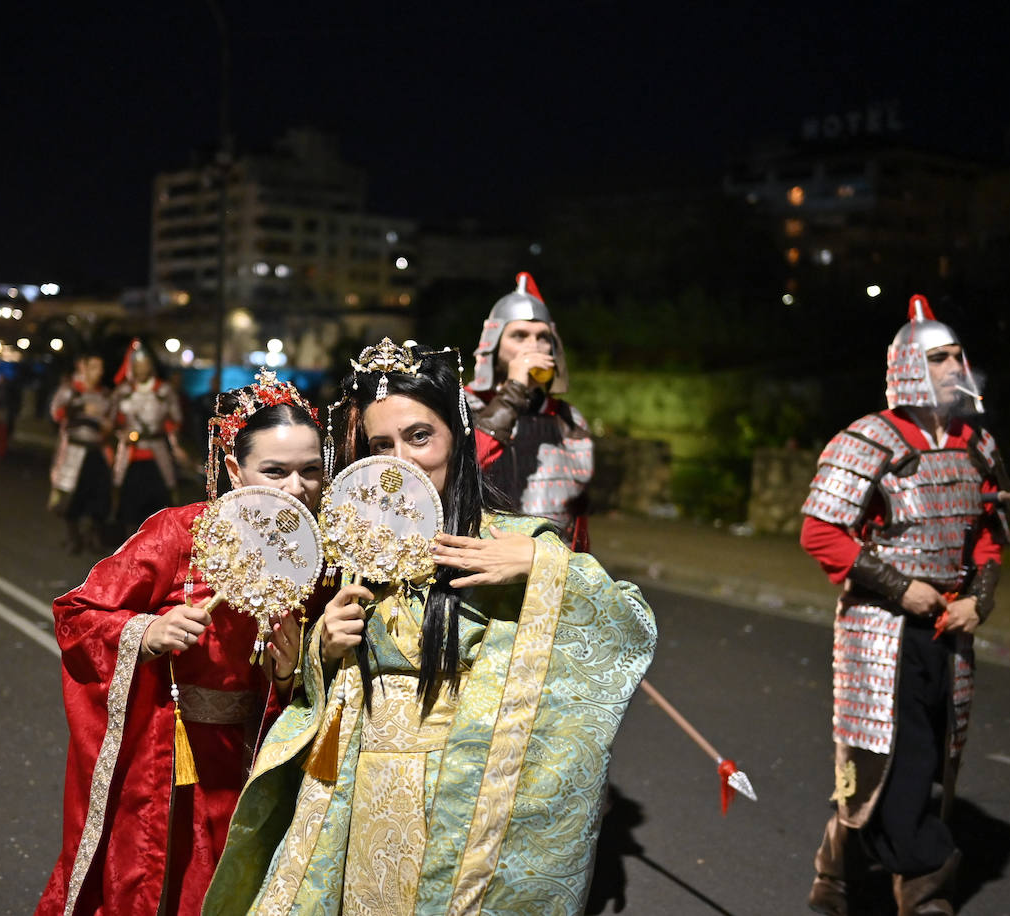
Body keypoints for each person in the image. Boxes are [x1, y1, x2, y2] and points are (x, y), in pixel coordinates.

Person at [205, 338, 657, 916]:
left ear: (459, 433)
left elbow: (628, 628)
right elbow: (322, 692)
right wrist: (324, 647)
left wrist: (545, 567)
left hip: (467, 803)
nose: (403, 460)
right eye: (381, 445)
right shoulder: (358, 551)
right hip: (366, 798)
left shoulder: (512, 541)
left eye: (420, 436)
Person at [37, 370, 327, 916]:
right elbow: (76, 613)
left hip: (272, 765)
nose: (296, 489)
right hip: (179, 773)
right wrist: (145, 632)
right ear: (235, 468)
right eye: (275, 471)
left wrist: (295, 672)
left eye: (311, 471)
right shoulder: (179, 534)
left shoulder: (326, 556)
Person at [800, 295, 1008, 916]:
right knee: (893, 752)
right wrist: (900, 587)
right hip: (881, 628)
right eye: (938, 357)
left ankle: (836, 871)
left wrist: (979, 599)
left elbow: (990, 534)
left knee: (935, 749)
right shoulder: (867, 439)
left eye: (956, 355)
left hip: (951, 625)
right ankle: (925, 883)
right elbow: (822, 532)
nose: (954, 366)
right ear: (910, 366)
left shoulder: (980, 444)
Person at [465, 272, 594, 551]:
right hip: (482, 565)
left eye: (542, 337)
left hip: (551, 567)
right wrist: (514, 389)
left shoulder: (568, 418)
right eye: (519, 336)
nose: (533, 346)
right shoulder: (462, 405)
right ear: (495, 344)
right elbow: (463, 466)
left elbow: (577, 517)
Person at [111, 338, 190, 534]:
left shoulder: (164, 391)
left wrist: (176, 446)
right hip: (131, 454)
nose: (141, 369)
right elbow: (113, 422)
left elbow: (173, 421)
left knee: (159, 502)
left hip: (157, 453)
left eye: (145, 364)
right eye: (138, 365)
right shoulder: (123, 392)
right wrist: (123, 434)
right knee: (129, 503)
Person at [49, 353, 113, 554]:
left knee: (100, 495)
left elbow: (112, 421)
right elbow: (56, 413)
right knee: (71, 497)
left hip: (96, 450)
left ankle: (94, 537)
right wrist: (81, 407)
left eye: (100, 367)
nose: (99, 372)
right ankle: (74, 538)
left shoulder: (105, 395)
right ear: (82, 367)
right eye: (94, 367)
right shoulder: (70, 391)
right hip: (74, 450)